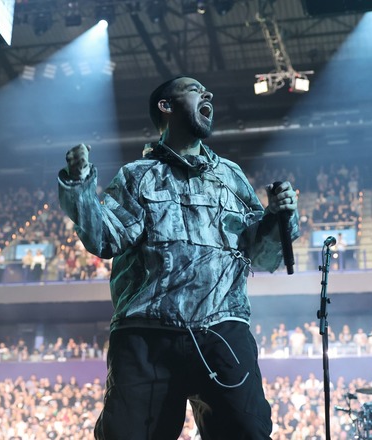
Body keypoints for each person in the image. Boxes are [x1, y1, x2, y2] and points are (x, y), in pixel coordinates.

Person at [58, 76, 299, 439]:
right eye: (194, 89)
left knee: (247, 431)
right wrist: (80, 188)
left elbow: (262, 258)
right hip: (147, 334)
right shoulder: (137, 177)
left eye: (207, 89)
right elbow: (105, 239)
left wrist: (279, 219)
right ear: (166, 107)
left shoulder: (230, 176)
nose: (209, 93)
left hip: (222, 328)